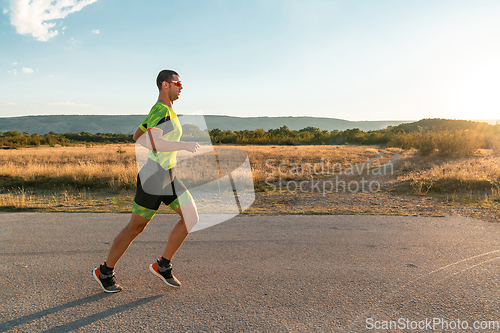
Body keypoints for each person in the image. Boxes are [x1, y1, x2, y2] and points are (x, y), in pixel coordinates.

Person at [92, 70, 200, 292]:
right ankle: (104, 271)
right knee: (136, 227)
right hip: (153, 176)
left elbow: (137, 136)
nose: (181, 87)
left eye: (181, 83)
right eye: (177, 82)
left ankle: (163, 265)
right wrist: (184, 145)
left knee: (191, 217)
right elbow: (155, 142)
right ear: (164, 85)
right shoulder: (161, 110)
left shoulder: (164, 111)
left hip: (167, 175)